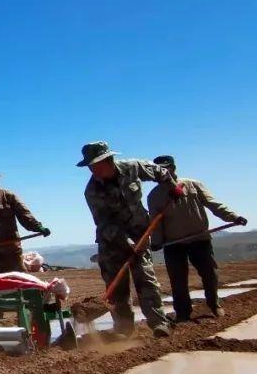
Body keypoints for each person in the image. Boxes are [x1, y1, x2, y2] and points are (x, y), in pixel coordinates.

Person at [79, 141, 179, 338]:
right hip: (111, 241)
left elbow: (160, 172)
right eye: (90, 167)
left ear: (109, 160)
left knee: (146, 279)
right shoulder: (92, 191)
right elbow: (103, 222)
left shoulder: (132, 167)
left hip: (140, 233)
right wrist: (124, 241)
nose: (93, 170)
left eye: (97, 165)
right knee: (117, 289)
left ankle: (159, 324)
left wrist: (171, 187)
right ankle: (124, 329)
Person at [148, 155, 248, 321]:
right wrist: (157, 242)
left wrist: (233, 217)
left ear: (174, 168)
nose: (161, 173)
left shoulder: (193, 185)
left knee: (210, 274)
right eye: (157, 171)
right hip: (174, 245)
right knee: (178, 281)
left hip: (199, 239)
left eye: (165, 169)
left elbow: (213, 204)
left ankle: (214, 304)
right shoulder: (154, 196)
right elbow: (156, 222)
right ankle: (182, 313)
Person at [0, 169, 50, 274]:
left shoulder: (9, 197)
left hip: (11, 251)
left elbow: (25, 216)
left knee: (19, 282)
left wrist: (38, 227)